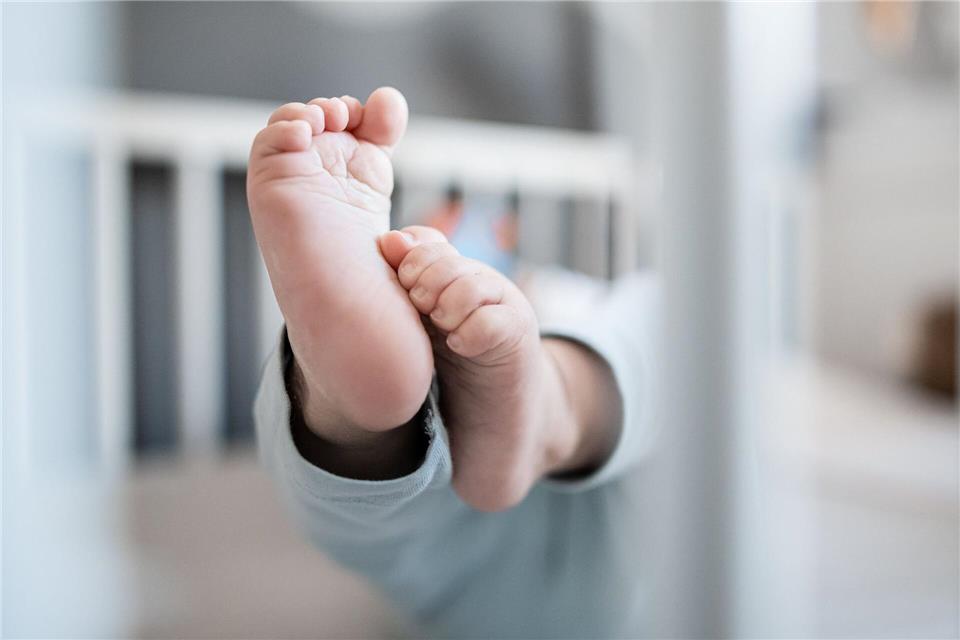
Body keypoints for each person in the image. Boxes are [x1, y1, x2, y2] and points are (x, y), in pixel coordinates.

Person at [249, 87, 659, 638]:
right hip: (632, 570)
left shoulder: (551, 295)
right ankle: (373, 411)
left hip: (475, 579)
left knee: (378, 513)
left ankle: (351, 424)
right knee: (674, 322)